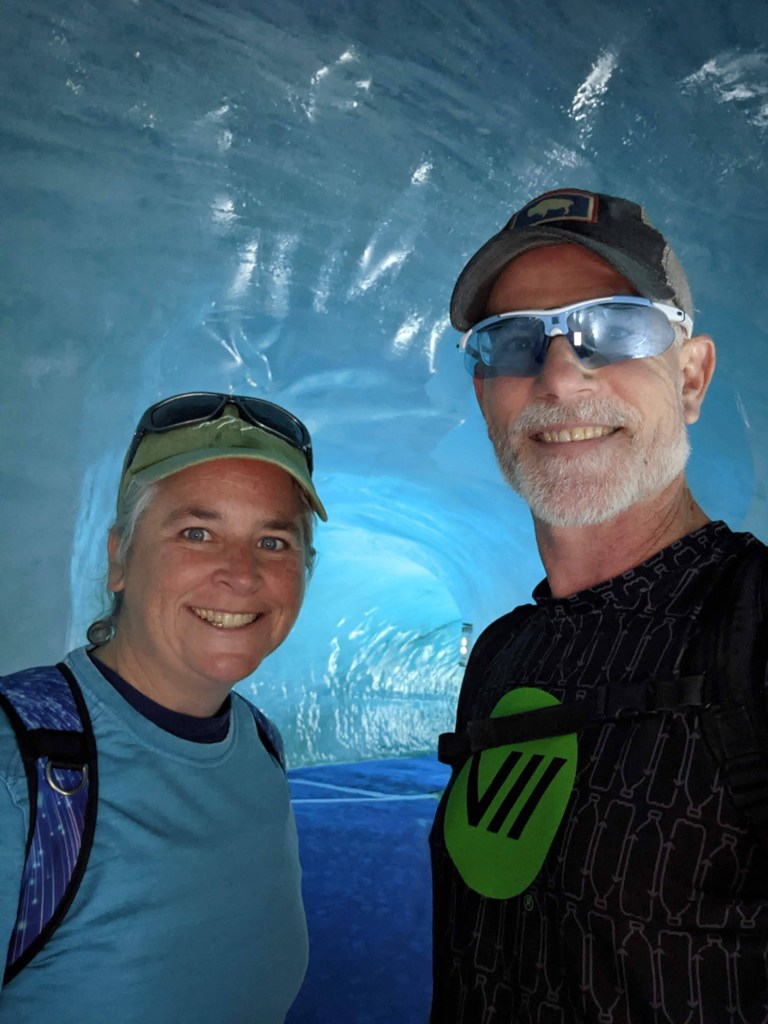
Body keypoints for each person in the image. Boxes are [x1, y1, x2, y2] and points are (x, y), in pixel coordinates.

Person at [429, 189, 768, 1022]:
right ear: (485, 397)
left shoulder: (756, 626)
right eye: (513, 342)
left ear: (691, 376)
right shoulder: (502, 654)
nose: (557, 375)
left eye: (615, 328)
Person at [0, 392, 327, 1023]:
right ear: (119, 557)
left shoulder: (259, 744)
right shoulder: (18, 775)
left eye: (273, 541)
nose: (241, 573)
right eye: (196, 533)